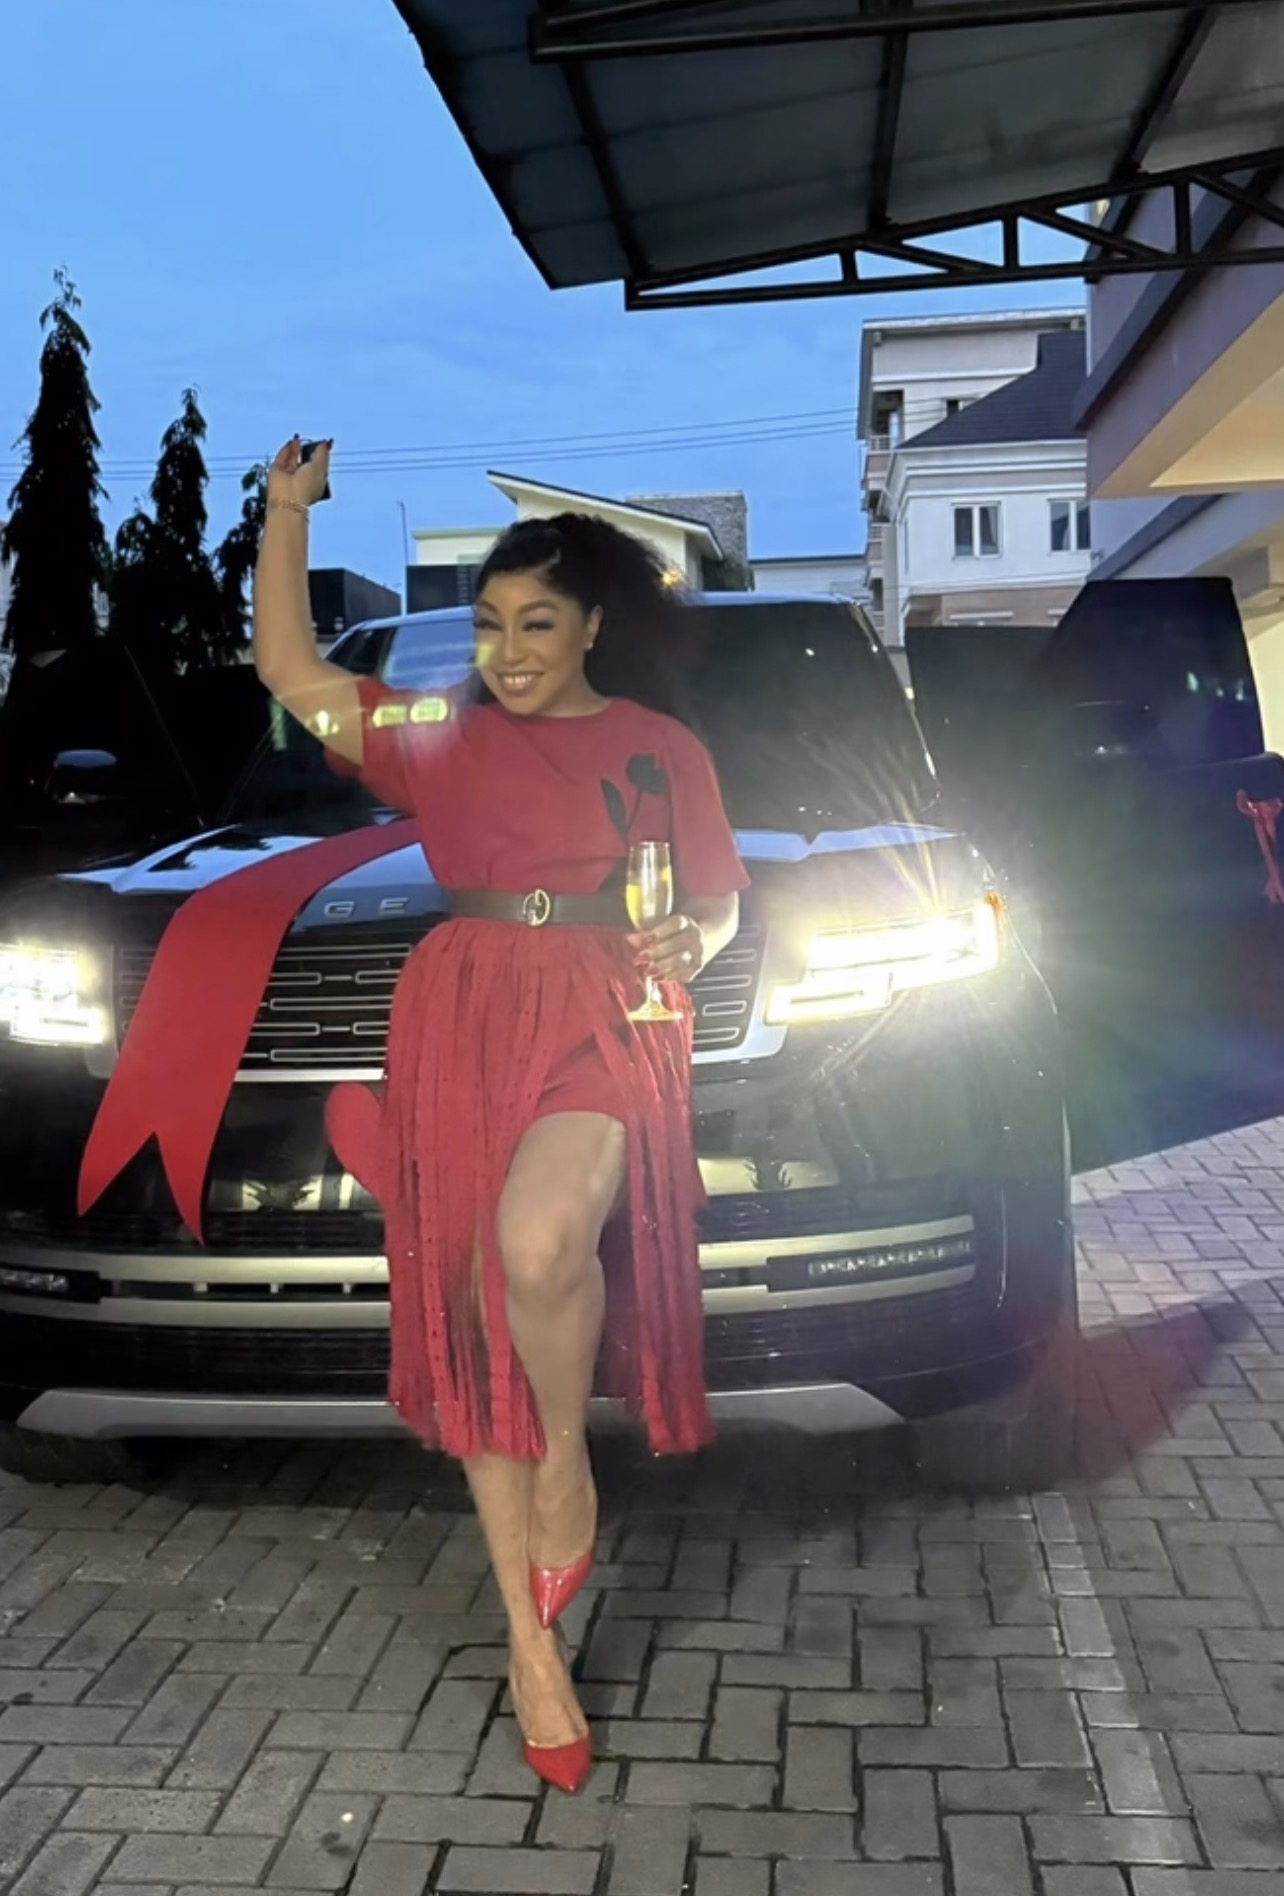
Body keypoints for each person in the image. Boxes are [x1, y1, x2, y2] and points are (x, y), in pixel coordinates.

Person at [253, 437, 747, 1794]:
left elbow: (715, 898)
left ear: (592, 625)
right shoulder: (439, 733)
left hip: (607, 1007)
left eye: (537, 622)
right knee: (478, 1311)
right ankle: (531, 1645)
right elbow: (290, 669)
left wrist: (697, 944)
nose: (509, 650)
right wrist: (286, 512)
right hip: (463, 1013)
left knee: (538, 1244)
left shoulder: (660, 748)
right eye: (488, 624)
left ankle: (565, 1465)